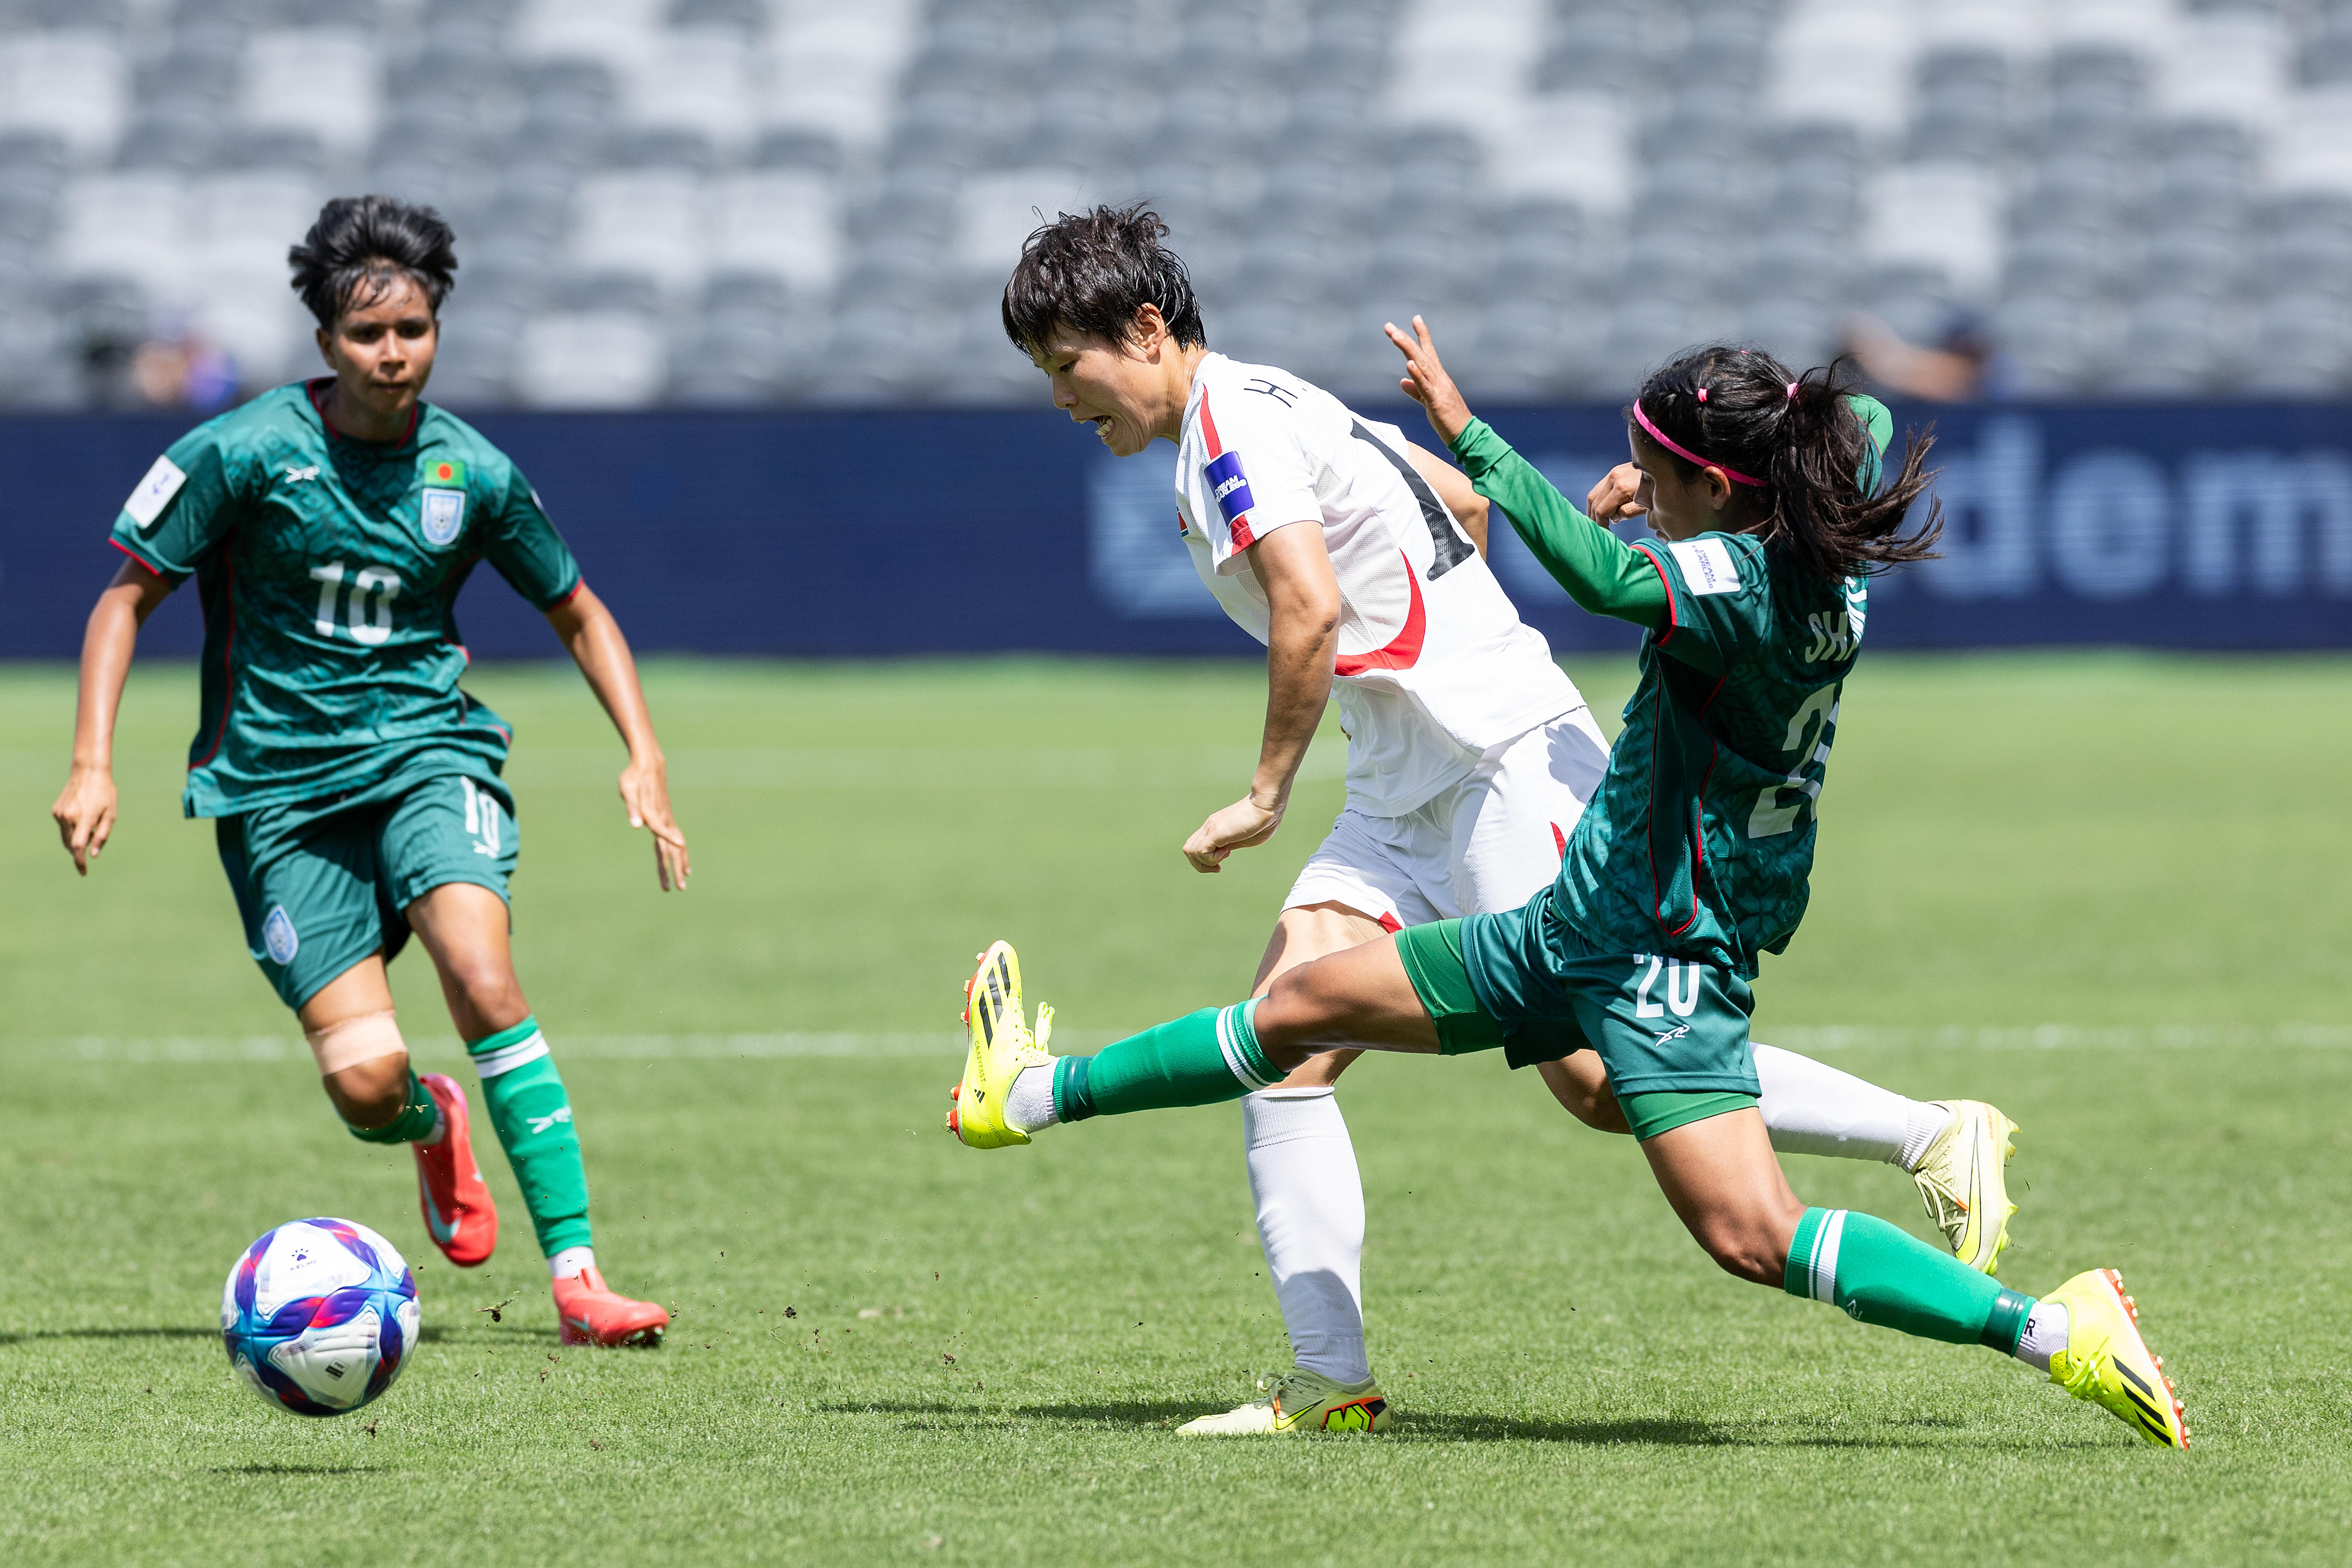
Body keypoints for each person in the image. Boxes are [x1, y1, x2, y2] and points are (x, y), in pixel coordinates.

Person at [957, 205, 2027, 1437]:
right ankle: (1329, 1379)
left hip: (1495, 763)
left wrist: (1263, 792)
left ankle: (1929, 1131)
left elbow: (1308, 609)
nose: (1059, 398)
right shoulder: (1270, 399)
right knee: (1286, 1050)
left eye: (1064, 366)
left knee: (1598, 1075)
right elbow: (1459, 509)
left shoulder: (1232, 427)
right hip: (1410, 772)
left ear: (1144, 330)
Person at [50, 196, 680, 1347]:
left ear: (438, 330)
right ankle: (429, 1122)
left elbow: (579, 610)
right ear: (326, 342)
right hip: (278, 794)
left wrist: (642, 753)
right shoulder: (241, 452)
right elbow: (122, 598)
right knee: (363, 1085)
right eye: (368, 335)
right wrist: (93, 764)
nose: (394, 353)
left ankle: (581, 1280)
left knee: (482, 977)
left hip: (428, 757)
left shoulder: (472, 471)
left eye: (415, 331)